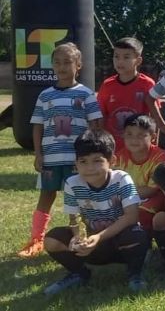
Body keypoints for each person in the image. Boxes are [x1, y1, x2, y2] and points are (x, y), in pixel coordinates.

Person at [21, 43, 103, 258]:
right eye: (57, 62)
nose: (62, 67)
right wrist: (38, 154)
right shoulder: (45, 95)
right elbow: (37, 126)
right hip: (51, 158)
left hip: (78, 161)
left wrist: (93, 156)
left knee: (80, 197)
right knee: (46, 196)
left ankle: (83, 238)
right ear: (52, 66)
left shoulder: (86, 94)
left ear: (79, 65)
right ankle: (36, 240)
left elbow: (96, 126)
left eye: (67, 62)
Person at [42, 130, 148, 295]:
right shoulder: (71, 183)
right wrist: (78, 238)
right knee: (51, 239)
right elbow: (74, 219)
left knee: (137, 234)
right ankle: (79, 273)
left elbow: (132, 216)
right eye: (83, 161)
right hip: (91, 246)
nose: (89, 168)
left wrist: (99, 237)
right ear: (76, 163)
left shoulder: (122, 179)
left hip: (119, 244)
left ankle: (135, 275)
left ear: (112, 161)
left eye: (97, 161)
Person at [97, 37, 155, 151]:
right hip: (113, 148)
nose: (120, 61)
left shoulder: (147, 84)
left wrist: (153, 146)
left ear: (138, 61)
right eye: (116, 56)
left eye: (126, 57)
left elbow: (153, 117)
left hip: (139, 149)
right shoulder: (107, 85)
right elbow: (101, 116)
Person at [115, 114, 165, 234]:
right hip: (127, 198)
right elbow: (114, 185)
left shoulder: (160, 157)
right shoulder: (119, 157)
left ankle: (143, 239)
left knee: (140, 215)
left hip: (152, 197)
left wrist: (126, 196)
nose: (134, 140)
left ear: (153, 137)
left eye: (140, 135)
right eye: (129, 134)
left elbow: (151, 190)